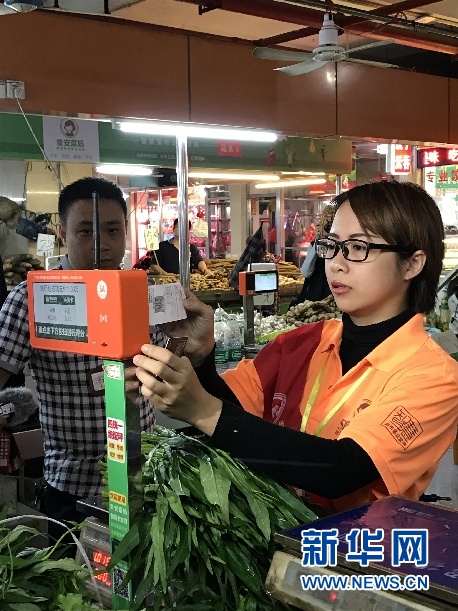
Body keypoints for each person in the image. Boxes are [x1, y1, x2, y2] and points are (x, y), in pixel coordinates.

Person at [133, 180, 458, 515]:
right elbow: (235, 411)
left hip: (358, 546)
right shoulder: (301, 343)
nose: (336, 263)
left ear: (412, 264)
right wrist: (202, 358)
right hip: (274, 541)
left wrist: (204, 411)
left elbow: (343, 468)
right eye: (332, 245)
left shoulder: (434, 377)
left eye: (358, 247)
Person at [0, 177, 166, 543]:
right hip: (73, 488)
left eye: (112, 230)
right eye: (86, 231)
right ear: (63, 233)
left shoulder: (142, 294)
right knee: (79, 576)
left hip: (147, 480)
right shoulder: (32, 299)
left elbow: (168, 371)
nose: (102, 245)